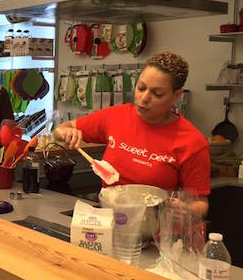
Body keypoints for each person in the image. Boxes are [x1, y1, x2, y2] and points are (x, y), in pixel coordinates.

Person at [53, 52, 210, 216]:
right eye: (141, 88)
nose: (144, 98)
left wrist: (188, 210)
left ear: (176, 96)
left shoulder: (192, 142)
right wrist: (65, 131)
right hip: (112, 223)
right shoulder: (117, 117)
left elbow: (200, 204)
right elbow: (62, 129)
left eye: (157, 94)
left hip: (158, 230)